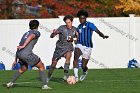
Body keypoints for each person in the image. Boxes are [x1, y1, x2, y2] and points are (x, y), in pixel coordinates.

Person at [6, 20, 51, 89]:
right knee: (41, 66)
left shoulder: (26, 33)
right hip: (26, 54)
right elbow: (32, 36)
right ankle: (45, 85)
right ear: (38, 26)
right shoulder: (36, 32)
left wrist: (15, 60)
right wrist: (24, 46)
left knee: (23, 68)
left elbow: (19, 46)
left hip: (19, 53)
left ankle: (10, 82)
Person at [73, 9, 109, 82]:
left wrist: (103, 36)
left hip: (88, 46)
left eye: (83, 18)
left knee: (83, 66)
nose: (81, 19)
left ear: (86, 18)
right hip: (79, 45)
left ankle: (85, 71)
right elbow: (76, 37)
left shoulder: (90, 24)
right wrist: (75, 40)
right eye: (80, 18)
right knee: (75, 57)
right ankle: (76, 76)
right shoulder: (78, 27)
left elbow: (97, 31)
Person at [47, 15, 78, 82]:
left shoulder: (75, 29)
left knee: (68, 59)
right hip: (59, 48)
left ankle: (65, 75)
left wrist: (76, 37)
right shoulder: (61, 28)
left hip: (68, 47)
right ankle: (48, 76)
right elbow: (52, 36)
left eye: (69, 22)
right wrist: (53, 33)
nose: (68, 24)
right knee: (53, 64)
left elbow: (76, 42)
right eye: (66, 22)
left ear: (72, 22)